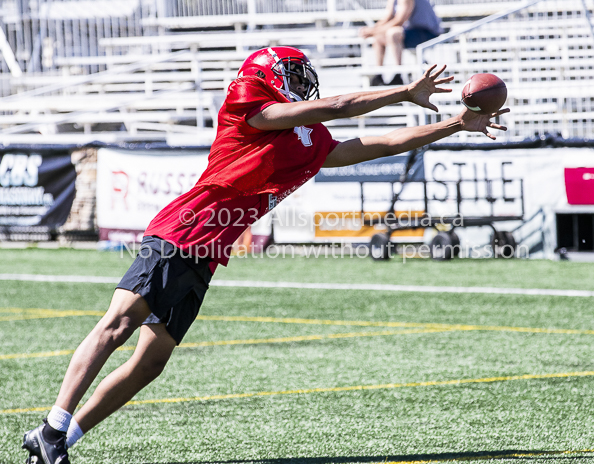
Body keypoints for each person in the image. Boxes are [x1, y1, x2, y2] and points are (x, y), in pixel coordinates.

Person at [21, 45, 508, 464]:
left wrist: (453, 123)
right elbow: (338, 107)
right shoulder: (247, 106)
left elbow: (371, 144)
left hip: (209, 250)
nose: (304, 86)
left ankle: (59, 439)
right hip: (183, 229)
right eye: (294, 76)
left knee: (150, 362)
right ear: (268, 75)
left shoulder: (307, 137)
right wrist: (403, 93)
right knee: (119, 323)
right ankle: (52, 423)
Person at [360, 0, 442, 86]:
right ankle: (378, 76)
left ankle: (398, 75)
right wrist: (372, 31)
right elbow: (388, 17)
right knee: (378, 37)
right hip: (411, 31)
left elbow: (400, 20)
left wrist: (372, 31)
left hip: (426, 32)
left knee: (393, 34)